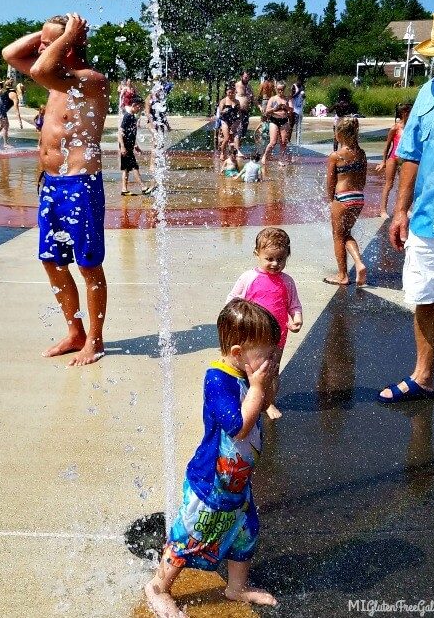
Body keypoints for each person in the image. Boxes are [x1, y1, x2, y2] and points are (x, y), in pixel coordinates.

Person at [145, 299, 280, 616]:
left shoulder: (247, 374)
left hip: (236, 483)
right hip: (210, 483)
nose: (271, 360)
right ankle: (158, 587)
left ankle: (237, 588)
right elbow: (239, 427)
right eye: (266, 354)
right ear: (237, 353)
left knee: (245, 534)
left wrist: (265, 383)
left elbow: (263, 402)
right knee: (190, 536)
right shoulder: (217, 380)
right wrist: (258, 385)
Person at [2, 13, 110, 367]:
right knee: (51, 261)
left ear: (71, 46)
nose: (40, 48)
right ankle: (74, 331)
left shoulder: (90, 81)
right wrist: (52, 33)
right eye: (42, 43)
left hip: (80, 183)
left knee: (87, 264)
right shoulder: (56, 81)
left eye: (47, 44)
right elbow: (9, 53)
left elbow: (40, 70)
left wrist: (64, 38)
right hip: (52, 184)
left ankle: (94, 338)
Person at [378, 14, 434, 403]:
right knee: (427, 296)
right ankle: (424, 376)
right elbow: (411, 154)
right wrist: (400, 210)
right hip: (429, 219)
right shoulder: (428, 95)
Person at [226, 228, 303, 420]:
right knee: (246, 368)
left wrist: (297, 319)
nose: (275, 264)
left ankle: (268, 403)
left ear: (287, 256)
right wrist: (235, 321)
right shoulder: (248, 278)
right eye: (269, 259)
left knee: (272, 371)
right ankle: (245, 399)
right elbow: (232, 300)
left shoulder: (287, 282)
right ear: (257, 254)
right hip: (250, 335)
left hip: (277, 336)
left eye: (281, 259)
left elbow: (294, 304)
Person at [324, 116, 367, 286]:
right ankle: (358, 262)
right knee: (346, 233)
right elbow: (363, 179)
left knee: (337, 236)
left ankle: (342, 275)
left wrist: (331, 200)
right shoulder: (361, 154)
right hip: (358, 197)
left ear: (339, 134)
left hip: (342, 197)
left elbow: (331, 182)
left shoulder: (336, 156)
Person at [375, 103, 412, 219]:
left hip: (404, 159)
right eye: (410, 112)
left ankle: (402, 208)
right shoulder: (395, 128)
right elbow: (387, 146)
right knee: (389, 184)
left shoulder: (411, 127)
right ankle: (383, 210)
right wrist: (383, 161)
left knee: (404, 185)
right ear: (404, 113)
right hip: (393, 158)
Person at [119, 95, 151, 195]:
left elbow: (131, 133)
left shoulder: (132, 116)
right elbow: (120, 132)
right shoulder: (127, 116)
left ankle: (124, 189)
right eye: (139, 107)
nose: (140, 109)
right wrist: (123, 147)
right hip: (125, 147)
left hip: (129, 146)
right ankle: (143, 187)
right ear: (134, 105)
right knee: (134, 167)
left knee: (126, 168)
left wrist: (135, 145)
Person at [262, 81, 292, 164]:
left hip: (284, 120)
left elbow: (291, 110)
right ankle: (265, 155)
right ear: (276, 89)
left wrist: (285, 107)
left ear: (284, 89)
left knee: (283, 142)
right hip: (274, 120)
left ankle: (281, 159)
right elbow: (267, 111)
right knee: (273, 142)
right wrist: (275, 109)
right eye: (279, 89)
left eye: (282, 89)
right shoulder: (272, 99)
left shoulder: (287, 99)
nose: (280, 91)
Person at [0, 79, 22, 147]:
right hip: (0, 107)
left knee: (3, 124)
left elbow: (1, 91)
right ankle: (5, 144)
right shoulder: (14, 95)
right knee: (5, 125)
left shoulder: (9, 90)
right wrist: (20, 121)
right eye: (23, 91)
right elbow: (16, 110)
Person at [217, 84, 243, 159]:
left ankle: (232, 153)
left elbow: (239, 112)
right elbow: (220, 112)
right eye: (229, 92)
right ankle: (222, 153)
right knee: (226, 138)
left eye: (232, 92)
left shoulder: (237, 101)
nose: (231, 94)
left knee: (233, 136)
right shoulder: (223, 101)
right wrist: (223, 111)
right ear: (226, 92)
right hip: (225, 120)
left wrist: (240, 120)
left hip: (234, 120)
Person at [235, 71, 254, 144]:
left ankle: (237, 147)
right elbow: (229, 95)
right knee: (238, 129)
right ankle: (235, 149)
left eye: (248, 78)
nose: (247, 79)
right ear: (241, 77)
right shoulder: (237, 85)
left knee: (244, 130)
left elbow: (253, 98)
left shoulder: (249, 87)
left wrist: (259, 106)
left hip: (246, 111)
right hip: (238, 111)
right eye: (246, 77)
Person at [288, 77, 306, 144]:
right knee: (291, 126)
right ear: (297, 80)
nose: (300, 83)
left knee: (299, 127)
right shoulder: (294, 86)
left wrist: (304, 96)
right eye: (300, 82)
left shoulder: (302, 87)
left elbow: (304, 97)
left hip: (300, 110)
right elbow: (291, 96)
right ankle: (288, 141)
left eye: (302, 82)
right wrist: (298, 92)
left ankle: (298, 142)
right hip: (293, 109)